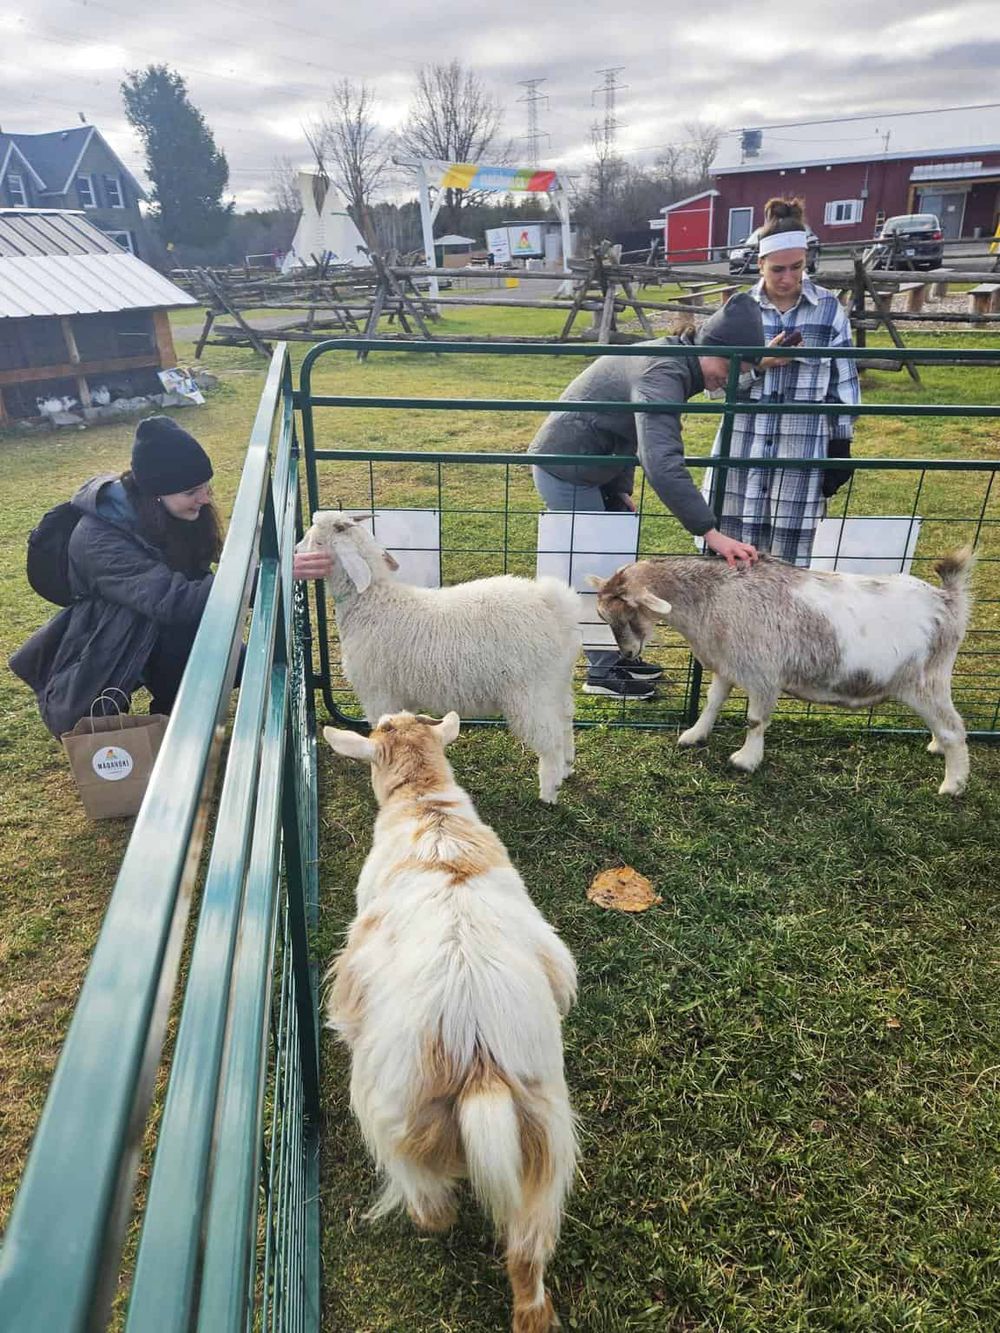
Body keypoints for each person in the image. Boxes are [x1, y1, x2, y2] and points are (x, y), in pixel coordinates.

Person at [10, 415, 331, 737]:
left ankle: (185, 707)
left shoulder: (166, 510)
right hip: (111, 630)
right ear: (156, 493)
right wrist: (265, 577)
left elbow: (198, 571)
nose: (205, 499)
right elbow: (172, 600)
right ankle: (175, 725)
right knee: (188, 634)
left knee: (219, 649)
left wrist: (265, 561)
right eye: (193, 491)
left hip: (152, 615)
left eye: (207, 486)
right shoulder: (101, 540)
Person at [528, 293, 765, 699]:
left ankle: (616, 658)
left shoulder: (675, 362)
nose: (729, 379)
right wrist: (710, 532)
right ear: (712, 349)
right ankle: (601, 673)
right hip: (567, 468)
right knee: (594, 566)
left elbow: (620, 424)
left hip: (594, 466)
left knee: (610, 563)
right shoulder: (664, 373)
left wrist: (619, 489)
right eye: (730, 367)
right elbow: (660, 458)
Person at [707, 197, 860, 565]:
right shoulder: (739, 311)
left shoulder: (828, 310)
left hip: (800, 451)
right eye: (777, 269)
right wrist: (760, 364)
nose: (787, 278)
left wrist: (840, 445)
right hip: (744, 447)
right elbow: (715, 386)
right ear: (760, 264)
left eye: (797, 267)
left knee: (790, 564)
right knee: (733, 558)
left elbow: (844, 383)